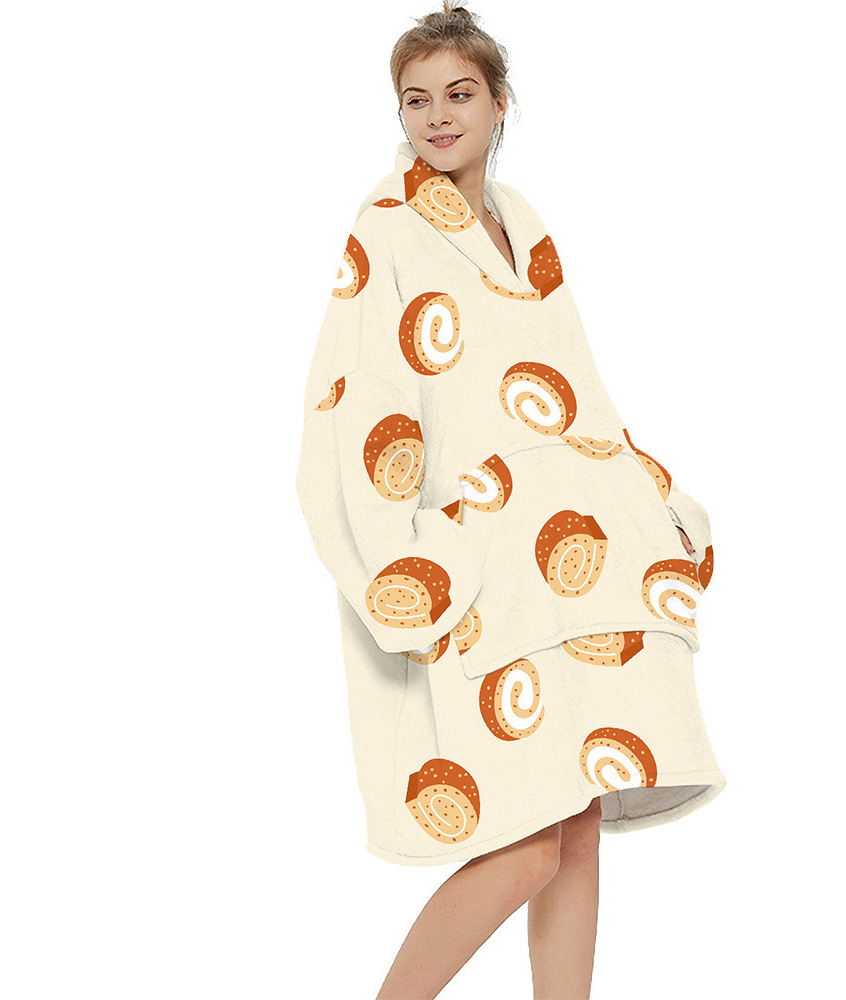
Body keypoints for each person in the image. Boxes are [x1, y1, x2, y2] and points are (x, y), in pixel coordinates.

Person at [294, 3, 727, 996]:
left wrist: (650, 494)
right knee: (526, 839)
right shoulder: (387, 225)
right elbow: (363, 398)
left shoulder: (522, 221)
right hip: (480, 561)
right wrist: (405, 553)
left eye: (459, 94)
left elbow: (572, 385)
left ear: (499, 102)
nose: (437, 117)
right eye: (416, 100)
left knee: (577, 825)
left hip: (570, 552)